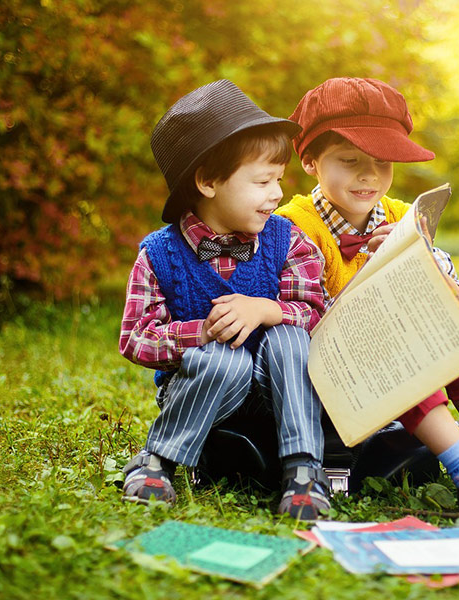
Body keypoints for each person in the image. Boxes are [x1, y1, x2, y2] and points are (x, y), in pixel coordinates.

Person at [276, 77, 459, 529]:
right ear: (311, 161)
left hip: (387, 364)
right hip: (326, 375)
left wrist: (422, 266)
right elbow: (303, 320)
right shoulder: (293, 226)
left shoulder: (401, 216)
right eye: (349, 160)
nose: (368, 175)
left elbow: (454, 293)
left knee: (454, 319)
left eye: (382, 162)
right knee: (395, 346)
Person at [119, 80, 330, 520]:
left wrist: (267, 310)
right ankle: (158, 460)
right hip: (206, 393)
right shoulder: (160, 254)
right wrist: (202, 333)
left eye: (278, 179)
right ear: (208, 181)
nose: (277, 193)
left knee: (290, 337)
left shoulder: (288, 241)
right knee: (222, 357)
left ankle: (304, 471)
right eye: (263, 181)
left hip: (279, 390)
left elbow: (315, 314)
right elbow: (136, 338)